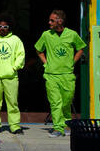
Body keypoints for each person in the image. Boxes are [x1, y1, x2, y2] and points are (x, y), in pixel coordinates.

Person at [34, 9, 86, 138]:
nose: (49, 22)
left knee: (66, 101)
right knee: (55, 102)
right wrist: (46, 63)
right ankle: (58, 127)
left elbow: (80, 48)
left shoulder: (72, 34)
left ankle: (66, 124)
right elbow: (38, 49)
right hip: (51, 74)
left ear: (60, 21)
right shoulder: (46, 35)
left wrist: (72, 62)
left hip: (67, 75)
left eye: (52, 20)